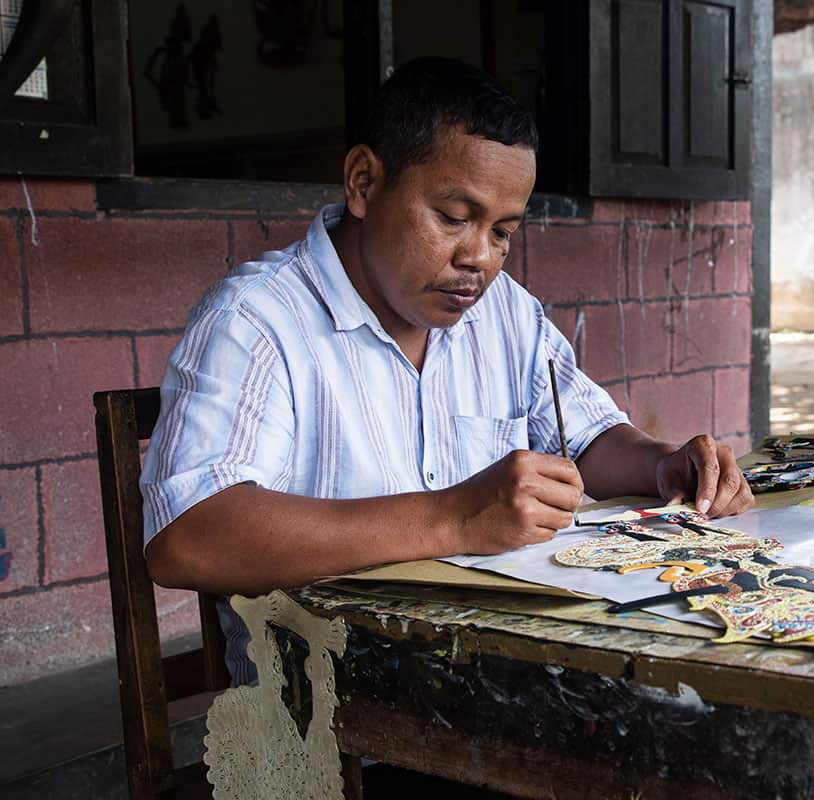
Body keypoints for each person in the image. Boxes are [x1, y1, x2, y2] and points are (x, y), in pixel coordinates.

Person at [141, 57, 753, 684]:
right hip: (339, 719)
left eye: (504, 232)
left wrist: (660, 463)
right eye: (454, 218)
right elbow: (188, 535)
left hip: (502, 678)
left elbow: (588, 437)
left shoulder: (506, 313)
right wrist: (457, 516)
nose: (479, 259)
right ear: (363, 182)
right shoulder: (259, 320)